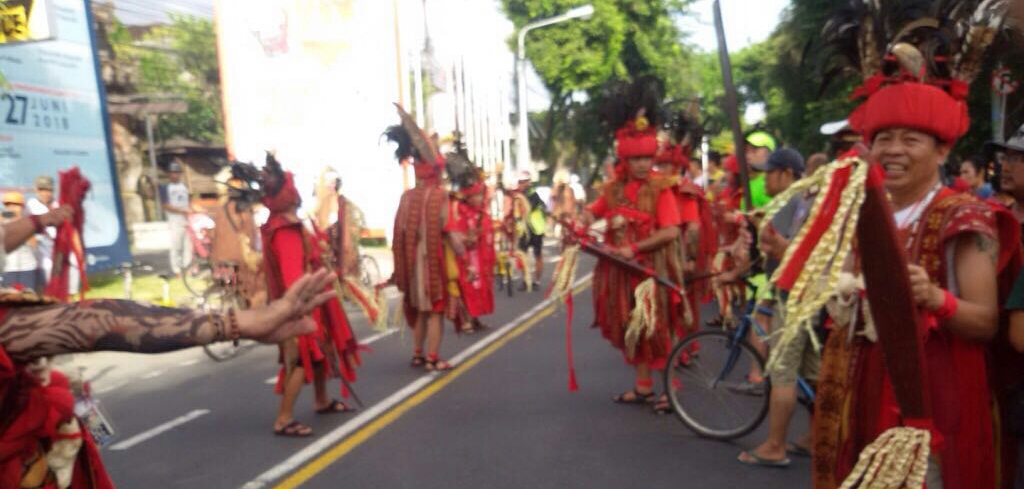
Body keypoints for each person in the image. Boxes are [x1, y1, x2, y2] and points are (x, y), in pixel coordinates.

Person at [809, 9, 1020, 487]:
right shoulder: (861, 210)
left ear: (943, 150)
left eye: (911, 139)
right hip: (861, 384)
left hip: (935, 395)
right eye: (883, 138)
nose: (893, 150)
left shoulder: (964, 215)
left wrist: (935, 298)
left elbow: (986, 322)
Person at [580, 79, 684, 410]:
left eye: (645, 157)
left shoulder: (661, 188)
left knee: (658, 330)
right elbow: (592, 213)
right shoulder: (611, 190)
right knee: (633, 330)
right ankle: (642, 388)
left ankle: (670, 392)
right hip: (622, 274)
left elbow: (671, 232)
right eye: (635, 158)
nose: (642, 164)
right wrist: (578, 221)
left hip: (652, 272)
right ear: (625, 158)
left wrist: (635, 249)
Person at [260, 155, 360, 437]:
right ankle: (284, 418)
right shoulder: (286, 231)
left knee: (318, 355)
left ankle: (321, 399)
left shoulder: (285, 224)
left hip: (309, 302)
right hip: (301, 305)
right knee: (302, 359)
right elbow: (294, 277)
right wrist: (306, 304)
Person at [737, 148, 818, 467]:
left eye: (769, 172)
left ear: (786, 173)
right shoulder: (801, 201)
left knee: (782, 371)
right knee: (814, 375)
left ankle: (775, 446)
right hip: (808, 297)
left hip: (796, 296)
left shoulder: (794, 202)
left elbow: (779, 248)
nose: (764, 178)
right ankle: (814, 436)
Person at [387, 116, 461, 372]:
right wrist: (464, 251)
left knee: (418, 309)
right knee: (434, 313)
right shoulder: (441, 197)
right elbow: (450, 232)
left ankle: (417, 354)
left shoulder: (407, 197)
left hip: (411, 266)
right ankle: (432, 356)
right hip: (432, 265)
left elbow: (398, 234)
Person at [446, 168, 495, 333]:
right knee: (466, 286)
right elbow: (456, 236)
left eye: (482, 195)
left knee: (478, 287)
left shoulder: (481, 213)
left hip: (478, 257)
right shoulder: (460, 211)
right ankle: (465, 320)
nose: (480, 198)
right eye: (477, 195)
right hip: (465, 257)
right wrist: (469, 238)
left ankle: (475, 318)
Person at [208, 178, 266, 308]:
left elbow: (214, 234)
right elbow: (252, 235)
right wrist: (257, 251)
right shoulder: (244, 210)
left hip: (219, 258)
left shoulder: (220, 209)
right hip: (238, 257)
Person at [512, 170, 547, 290]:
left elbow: (527, 208)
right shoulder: (518, 195)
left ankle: (536, 281)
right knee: (522, 255)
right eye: (520, 182)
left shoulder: (533, 194)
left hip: (536, 229)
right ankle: (526, 280)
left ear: (528, 182)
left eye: (523, 182)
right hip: (524, 230)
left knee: (537, 255)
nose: (521, 184)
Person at [2, 191, 41, 291]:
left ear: (22, 207)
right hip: (8, 269)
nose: (11, 208)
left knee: (28, 301)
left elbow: (34, 244)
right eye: (8, 205)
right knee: (9, 301)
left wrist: (22, 226)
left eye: (15, 205)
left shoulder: (29, 222)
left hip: (27, 268)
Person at [160, 161, 193, 276]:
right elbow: (165, 205)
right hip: (174, 219)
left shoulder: (184, 186)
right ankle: (177, 269)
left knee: (188, 245)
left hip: (186, 218)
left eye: (177, 172)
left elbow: (189, 201)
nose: (174, 175)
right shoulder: (166, 187)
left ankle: (187, 267)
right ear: (169, 174)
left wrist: (194, 209)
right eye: (172, 172)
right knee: (176, 244)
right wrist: (182, 210)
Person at [744, 130, 776, 210]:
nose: (748, 155)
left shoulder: (771, 182)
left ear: (769, 152)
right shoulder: (748, 181)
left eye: (754, 150)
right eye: (747, 150)